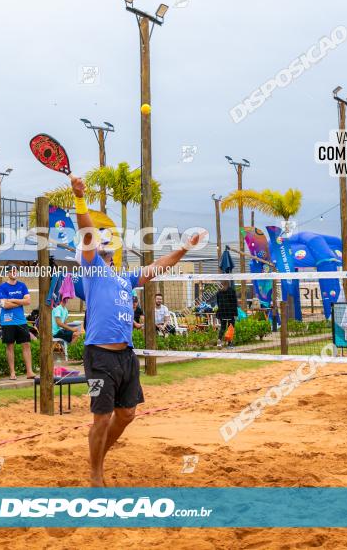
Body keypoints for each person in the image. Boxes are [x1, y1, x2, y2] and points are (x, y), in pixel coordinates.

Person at [71, 173, 205, 487]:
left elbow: (158, 267)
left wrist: (184, 248)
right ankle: (95, 474)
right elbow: (87, 234)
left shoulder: (123, 279)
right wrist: (80, 198)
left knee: (128, 414)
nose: (108, 251)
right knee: (101, 418)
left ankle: (98, 457)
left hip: (125, 357)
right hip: (99, 358)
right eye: (104, 249)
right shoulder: (92, 270)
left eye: (108, 249)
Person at [0, 266, 35, 380]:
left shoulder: (22, 285)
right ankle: (12, 373)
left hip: (21, 320)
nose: (14, 273)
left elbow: (28, 301)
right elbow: (5, 305)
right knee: (10, 346)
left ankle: (29, 372)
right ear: (8, 273)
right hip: (8, 321)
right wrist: (21, 302)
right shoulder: (2, 287)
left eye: (15, 271)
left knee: (26, 345)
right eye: (11, 271)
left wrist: (12, 300)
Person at [215, 281, 239, 347]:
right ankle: (229, 343)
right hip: (230, 312)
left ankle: (219, 340)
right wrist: (235, 314)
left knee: (222, 327)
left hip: (222, 312)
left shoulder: (219, 292)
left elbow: (218, 304)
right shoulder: (232, 291)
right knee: (230, 327)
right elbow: (234, 303)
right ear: (228, 283)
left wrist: (218, 314)